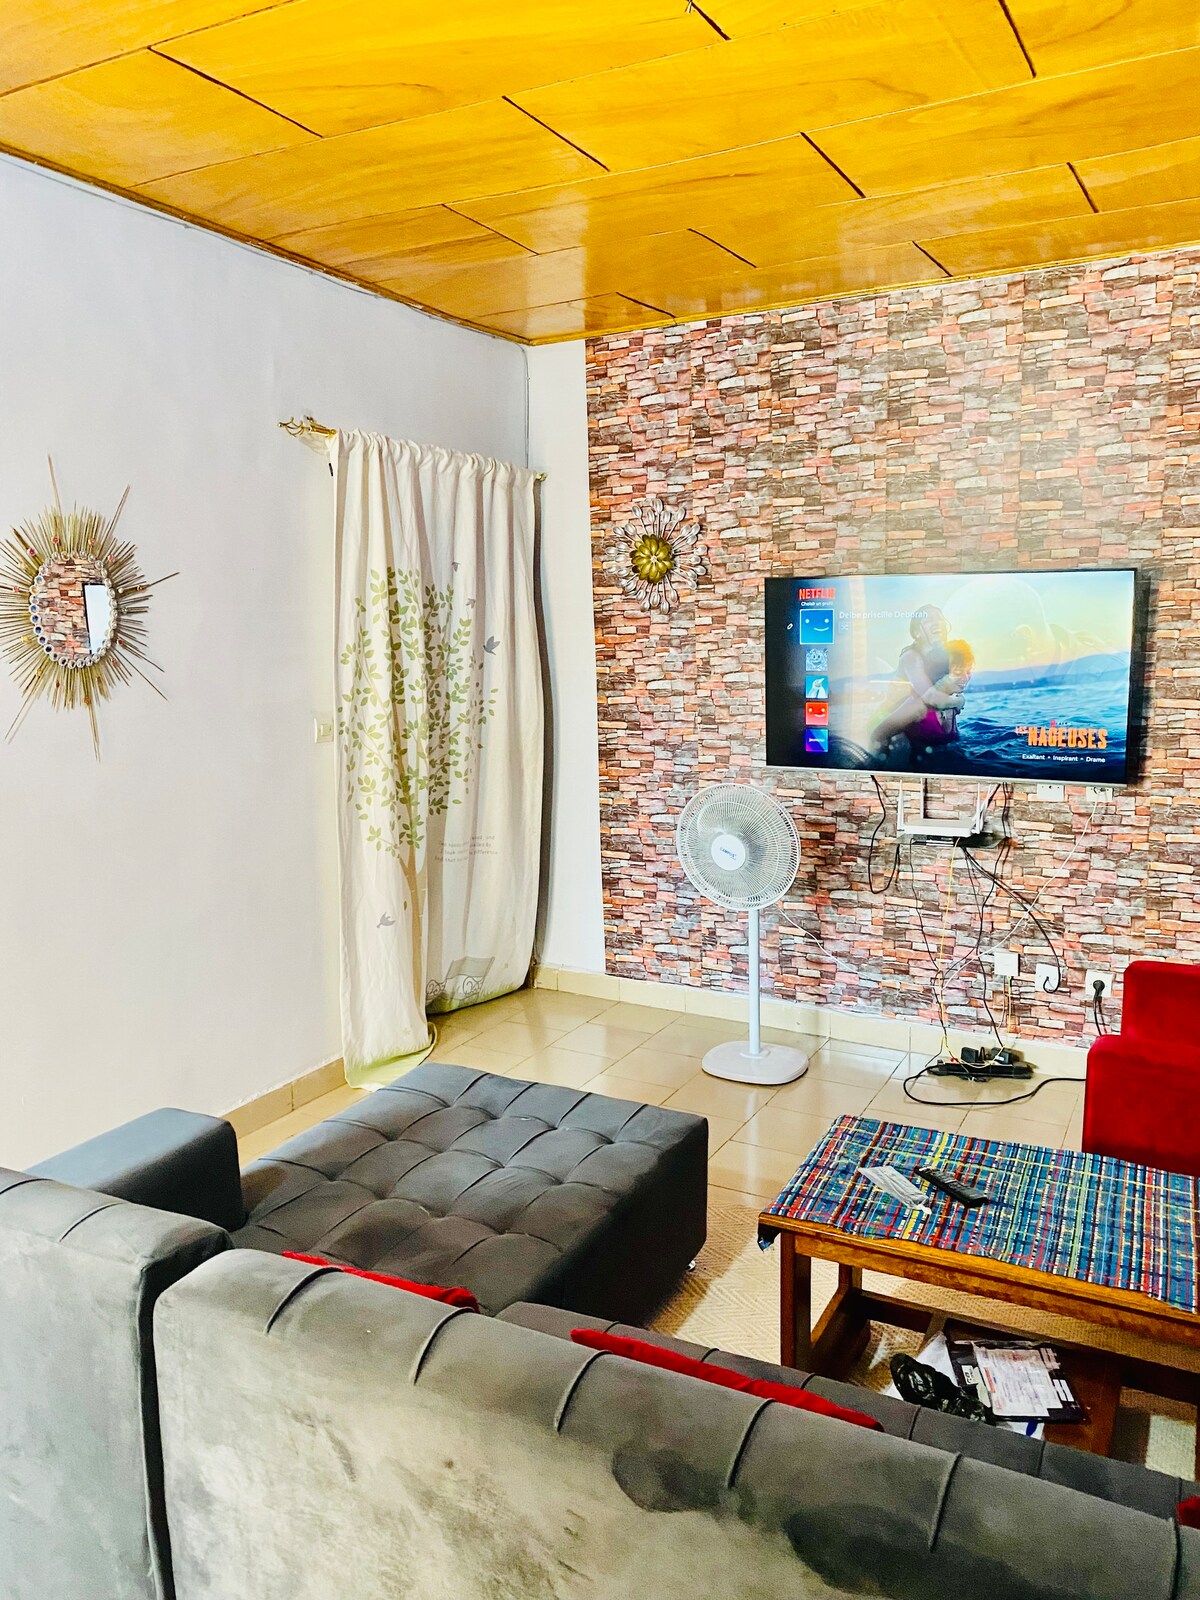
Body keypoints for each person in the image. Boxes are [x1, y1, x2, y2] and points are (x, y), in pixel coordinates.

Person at [871, 606, 973, 755]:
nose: (937, 623)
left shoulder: (942, 660)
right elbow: (930, 697)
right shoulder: (911, 657)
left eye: (940, 619)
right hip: (894, 716)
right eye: (929, 620)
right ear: (917, 632)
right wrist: (959, 701)